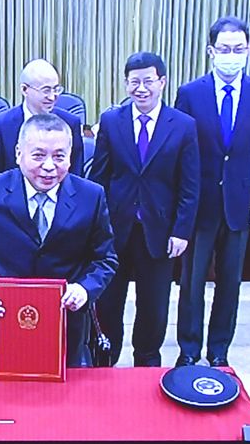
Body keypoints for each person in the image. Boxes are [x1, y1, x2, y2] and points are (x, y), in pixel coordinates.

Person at [0, 113, 118, 366]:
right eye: (39, 155)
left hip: (66, 325)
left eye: (59, 156)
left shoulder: (91, 197)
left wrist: (85, 289)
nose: (50, 166)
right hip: (3, 320)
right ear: (19, 153)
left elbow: (105, 258)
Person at [174, 16, 250, 367]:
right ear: (211, 51)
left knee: (230, 284)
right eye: (224, 49)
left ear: (248, 51)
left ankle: (219, 350)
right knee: (191, 284)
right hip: (200, 203)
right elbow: (181, 152)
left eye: (238, 49)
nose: (231, 55)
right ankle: (189, 350)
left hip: (240, 203)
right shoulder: (190, 93)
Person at [90, 52, 200, 367]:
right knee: (109, 300)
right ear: (126, 84)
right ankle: (105, 357)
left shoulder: (183, 125)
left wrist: (181, 230)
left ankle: (147, 359)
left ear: (162, 82)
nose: (141, 88)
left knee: (153, 305)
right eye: (134, 82)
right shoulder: (112, 121)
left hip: (160, 230)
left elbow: (189, 185)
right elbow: (100, 177)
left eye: (148, 81)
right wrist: (96, 227)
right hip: (116, 229)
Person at [0, 59, 84, 176]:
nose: (52, 97)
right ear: (24, 89)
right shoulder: (2, 124)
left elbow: (76, 176)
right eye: (46, 90)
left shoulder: (70, 123)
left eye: (56, 89)